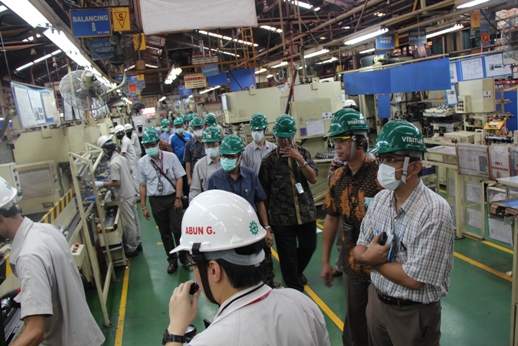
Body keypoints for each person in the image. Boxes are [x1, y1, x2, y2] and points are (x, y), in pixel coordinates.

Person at [164, 190, 330, 346]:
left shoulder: (210, 341)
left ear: (214, 270)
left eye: (194, 264)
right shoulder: (301, 303)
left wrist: (175, 331)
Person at [353, 120, 454, 345]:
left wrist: (372, 260)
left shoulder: (434, 211)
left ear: (415, 167)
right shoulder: (380, 200)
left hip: (412, 314)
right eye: (381, 159)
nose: (382, 167)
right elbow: (359, 249)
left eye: (390, 160)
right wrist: (366, 257)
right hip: (377, 303)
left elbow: (414, 279)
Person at [0, 177, 105, 346]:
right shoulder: (46, 230)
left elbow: (34, 333)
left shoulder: (28, 256)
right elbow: (52, 279)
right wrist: (23, 293)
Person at [320, 109, 382, 346]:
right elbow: (331, 219)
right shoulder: (337, 178)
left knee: (380, 322)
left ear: (361, 141)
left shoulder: (380, 176)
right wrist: (326, 260)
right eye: (334, 141)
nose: (336, 146)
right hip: (351, 264)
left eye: (342, 141)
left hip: (381, 264)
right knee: (356, 322)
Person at [206, 135, 277, 288]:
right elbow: (210, 210)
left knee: (262, 263)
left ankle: (267, 288)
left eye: (231, 156)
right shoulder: (214, 180)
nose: (226, 159)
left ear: (240, 157)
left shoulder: (250, 175)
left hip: (251, 229)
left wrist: (267, 229)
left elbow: (259, 201)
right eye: (224, 155)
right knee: (234, 269)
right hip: (227, 234)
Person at [259, 114, 318, 292]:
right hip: (282, 218)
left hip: (306, 213)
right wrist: (267, 225)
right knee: (287, 256)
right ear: (274, 136)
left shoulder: (304, 153)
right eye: (280, 137)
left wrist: (300, 159)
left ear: (293, 135)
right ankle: (295, 289)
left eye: (287, 137)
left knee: (309, 246)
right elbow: (264, 194)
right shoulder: (268, 161)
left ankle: (295, 273)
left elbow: (313, 178)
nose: (284, 141)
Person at [136, 128, 189, 274]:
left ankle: (183, 256)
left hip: (172, 197)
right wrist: (143, 206)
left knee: (177, 229)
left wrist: (178, 197)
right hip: (156, 201)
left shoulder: (170, 157)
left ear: (158, 143)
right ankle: (172, 260)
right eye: (147, 146)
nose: (150, 148)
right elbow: (142, 185)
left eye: (152, 144)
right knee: (165, 232)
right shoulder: (142, 163)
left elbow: (179, 178)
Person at [96, 135, 142, 257]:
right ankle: (138, 242)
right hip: (131, 192)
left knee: (128, 223)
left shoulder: (113, 163)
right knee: (135, 219)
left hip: (124, 195)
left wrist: (102, 184)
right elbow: (130, 171)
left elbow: (117, 183)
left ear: (106, 150)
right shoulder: (122, 159)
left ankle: (132, 248)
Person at [189, 127, 221, 202]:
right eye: (208, 145)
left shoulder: (227, 163)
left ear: (220, 144)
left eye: (213, 145)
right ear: (204, 145)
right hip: (209, 202)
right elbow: (195, 190)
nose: (210, 148)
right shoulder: (200, 165)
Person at [170, 116, 192, 198]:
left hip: (188, 162)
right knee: (181, 181)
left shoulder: (189, 135)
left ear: (183, 125)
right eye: (177, 127)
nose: (179, 128)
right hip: (179, 163)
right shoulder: (172, 138)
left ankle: (190, 196)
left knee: (189, 180)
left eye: (180, 126)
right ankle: (184, 197)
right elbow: (171, 150)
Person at [184, 116, 206, 187]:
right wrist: (189, 178)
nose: (197, 130)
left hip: (208, 172)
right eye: (195, 128)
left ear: (203, 127)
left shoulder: (209, 142)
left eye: (199, 127)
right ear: (192, 129)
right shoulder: (189, 144)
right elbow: (188, 162)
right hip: (195, 174)